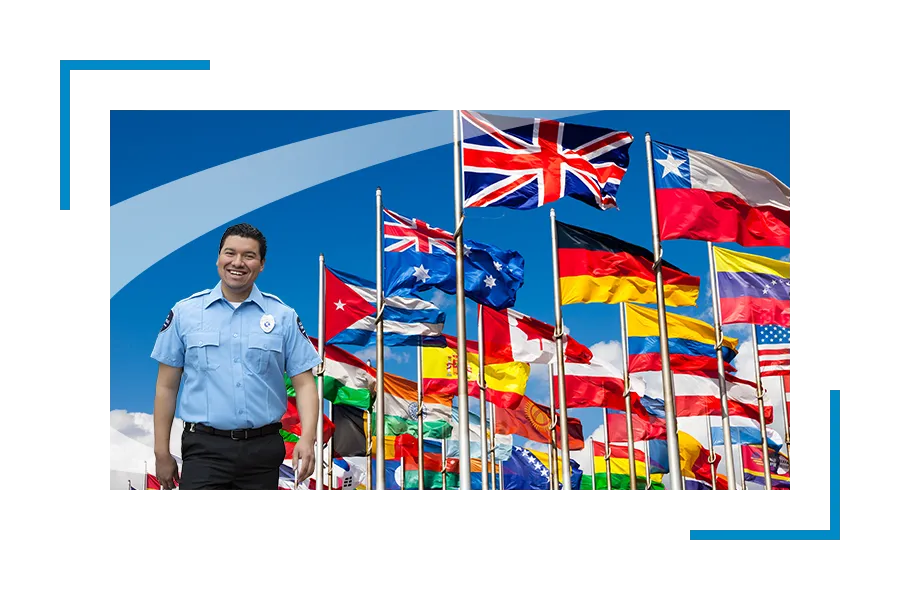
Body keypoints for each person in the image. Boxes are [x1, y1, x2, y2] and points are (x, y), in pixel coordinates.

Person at [150, 223, 321, 494]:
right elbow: (166, 387)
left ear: (262, 264)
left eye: (249, 256)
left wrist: (308, 439)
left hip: (262, 452)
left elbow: (304, 384)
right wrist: (161, 452)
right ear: (218, 258)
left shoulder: (283, 317)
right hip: (204, 449)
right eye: (230, 253)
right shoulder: (185, 313)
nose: (238, 263)